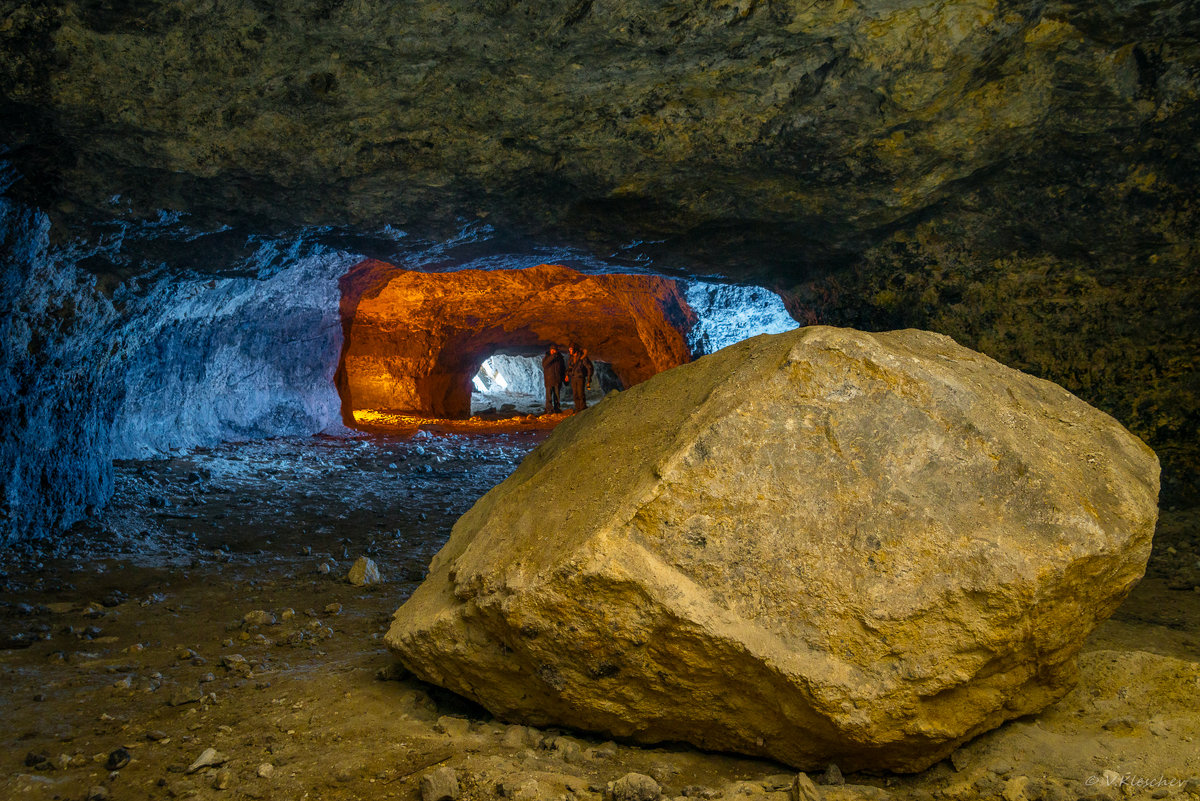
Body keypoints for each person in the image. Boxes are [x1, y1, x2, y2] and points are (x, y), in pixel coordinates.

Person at [566, 343, 594, 412]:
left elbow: (589, 367)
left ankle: (582, 409)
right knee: (575, 394)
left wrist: (589, 378)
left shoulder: (582, 357)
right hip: (573, 378)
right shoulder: (571, 358)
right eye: (569, 349)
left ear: (575, 349)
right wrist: (567, 374)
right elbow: (570, 367)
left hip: (580, 378)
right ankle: (578, 409)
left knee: (580, 394)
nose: (569, 350)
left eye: (571, 349)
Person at [541, 345, 566, 413]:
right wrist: (552, 356)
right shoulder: (547, 357)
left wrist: (564, 378)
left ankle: (557, 408)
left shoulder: (560, 358)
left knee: (557, 396)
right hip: (549, 380)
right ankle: (549, 409)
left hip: (557, 380)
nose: (552, 351)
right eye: (551, 350)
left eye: (554, 350)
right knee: (549, 396)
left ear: (556, 351)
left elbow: (563, 369)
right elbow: (544, 365)